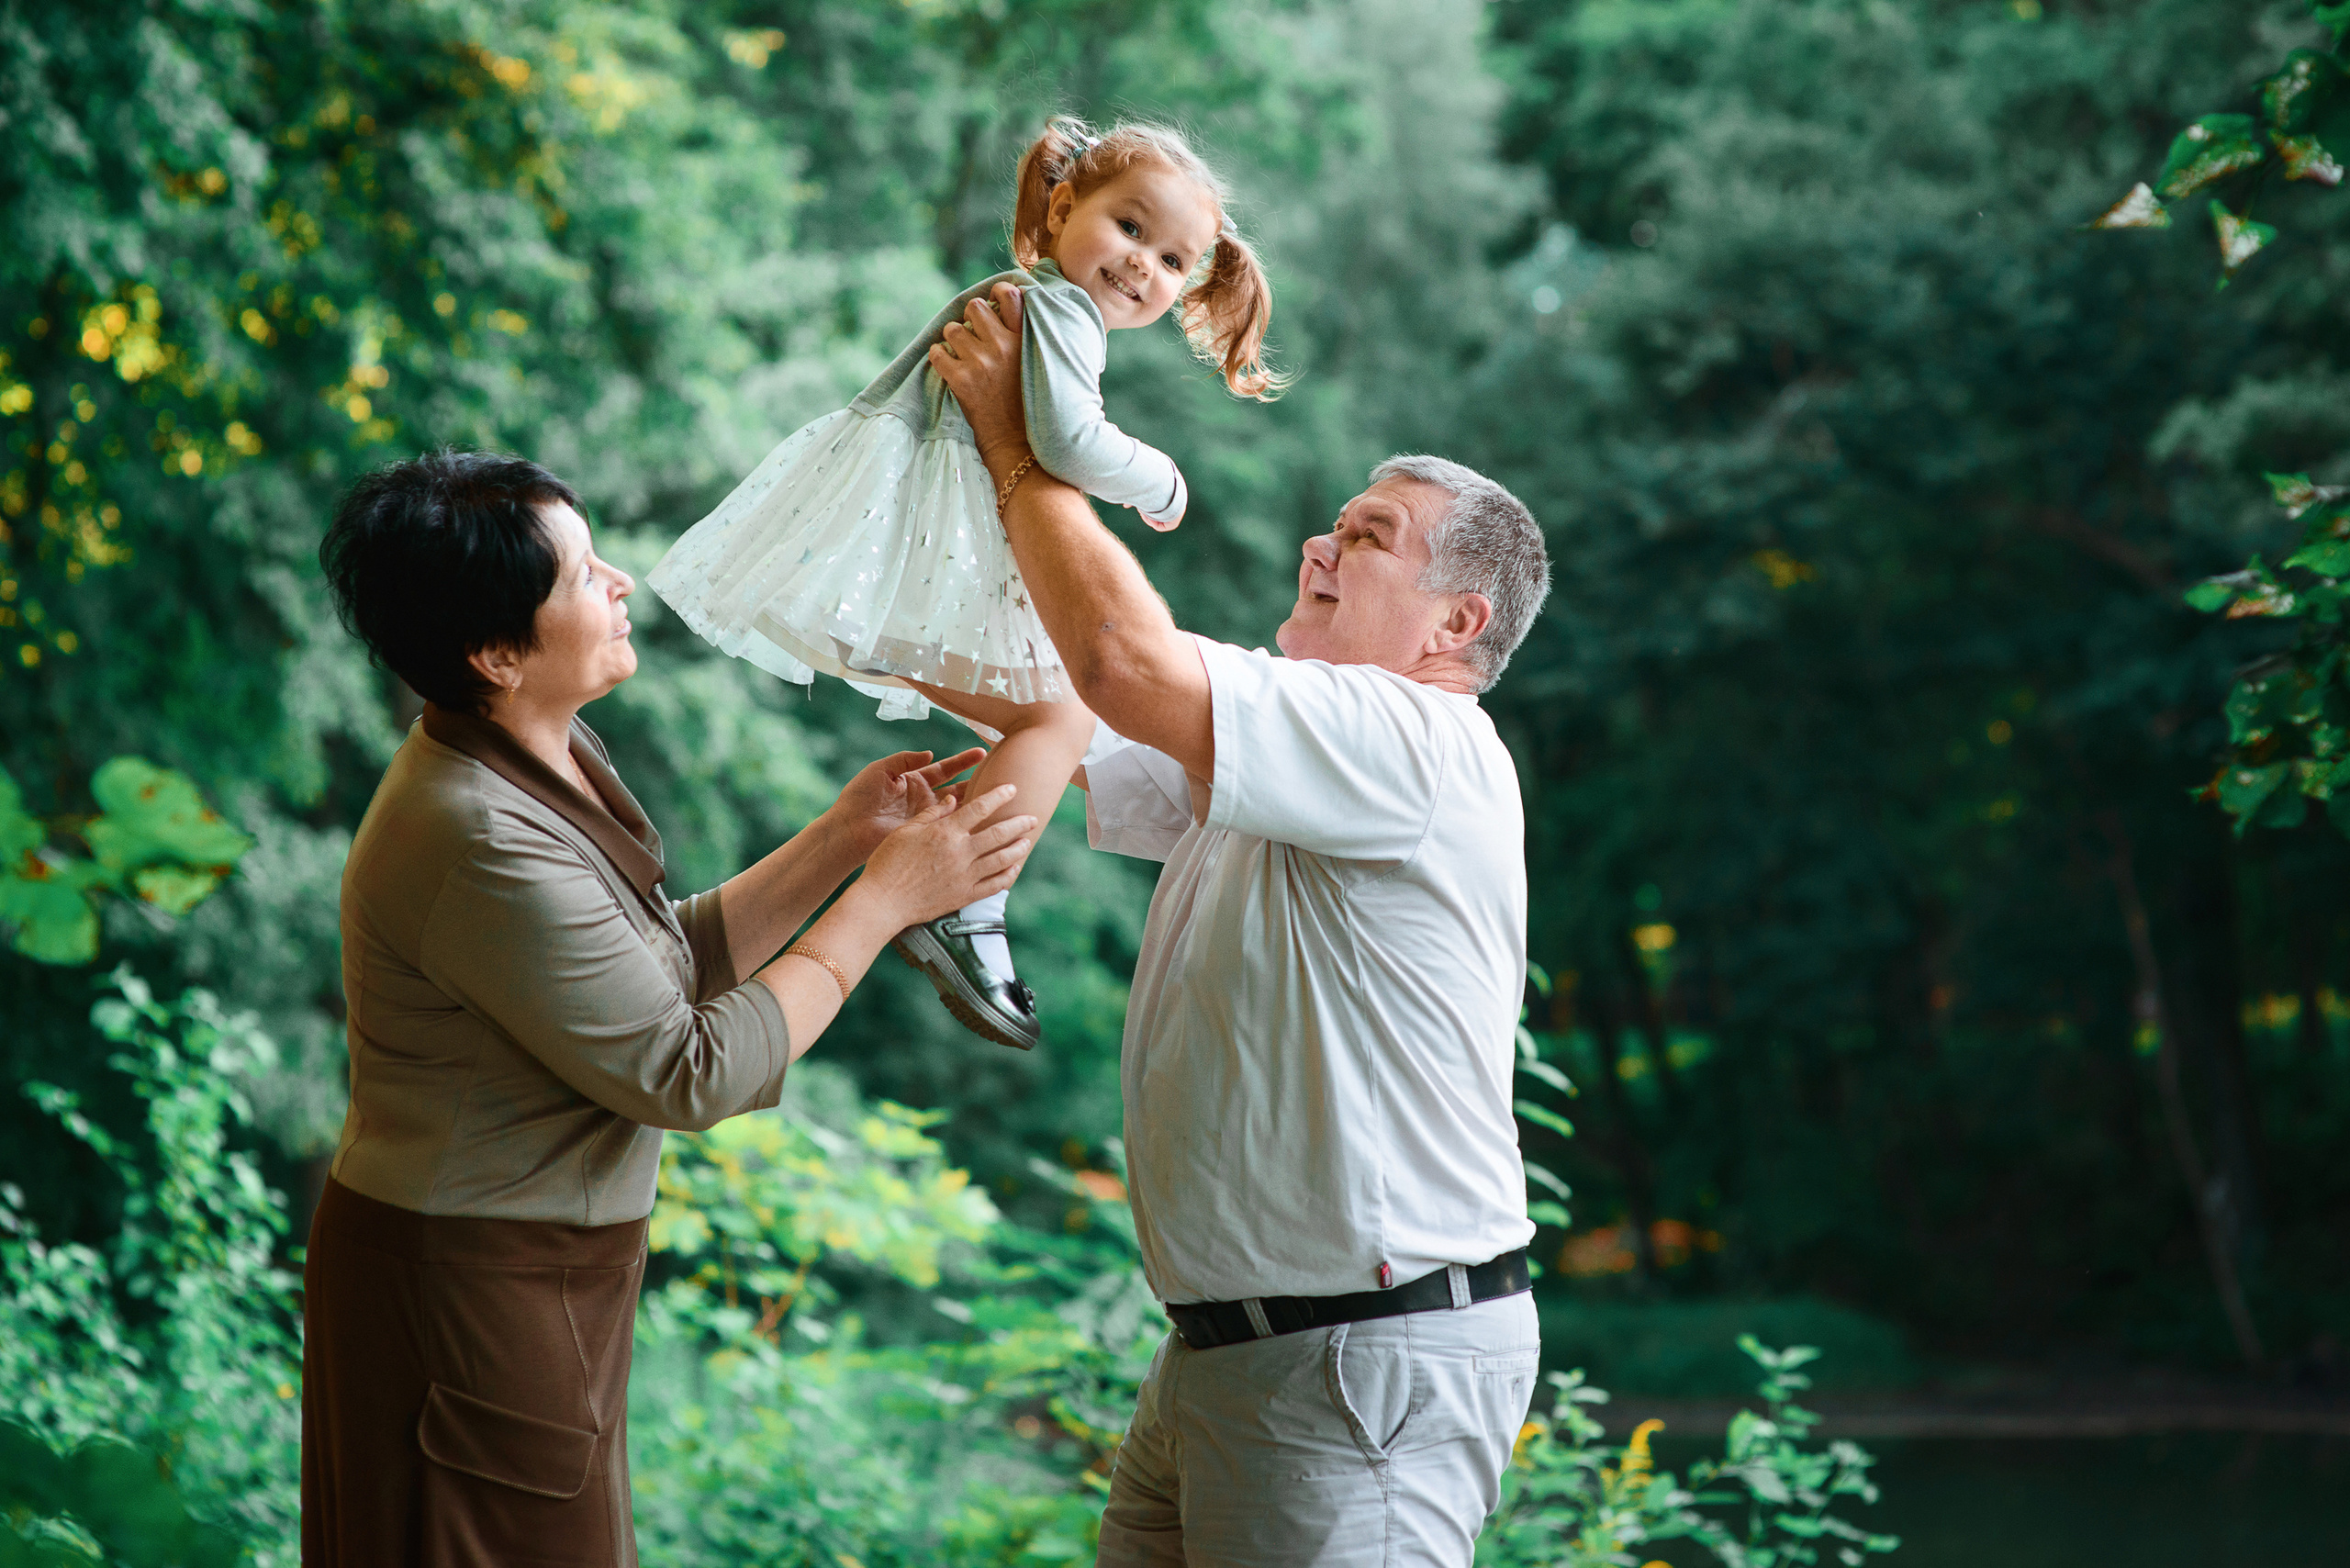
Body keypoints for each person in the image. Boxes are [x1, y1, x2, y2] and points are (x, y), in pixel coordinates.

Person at [304, 450, 1035, 1568]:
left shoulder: (530, 749)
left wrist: (845, 842)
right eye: (584, 576)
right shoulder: (478, 832)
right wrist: (883, 905)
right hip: (466, 1283)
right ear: (495, 653)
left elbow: (658, 963)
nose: (623, 584)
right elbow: (687, 1067)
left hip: (515, 1269)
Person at [931, 287, 1553, 1566]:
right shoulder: (1285, 751)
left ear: (1456, 625)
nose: (1319, 552)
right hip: (1232, 1353)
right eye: (1332, 527)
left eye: (1367, 538)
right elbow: (1041, 694)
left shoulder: (1416, 741)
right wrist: (886, 505)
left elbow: (1121, 666)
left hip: (1354, 1367)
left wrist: (1020, 448)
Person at [646, 115, 1283, 1053]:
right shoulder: (1059, 311)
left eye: (1174, 259)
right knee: (1055, 716)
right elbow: (1067, 441)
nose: (1143, 263)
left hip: (906, 551)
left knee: (1046, 719)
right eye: (1129, 227)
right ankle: (964, 907)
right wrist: (1160, 480)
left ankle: (963, 899)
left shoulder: (1033, 301)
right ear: (1063, 206)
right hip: (921, 555)